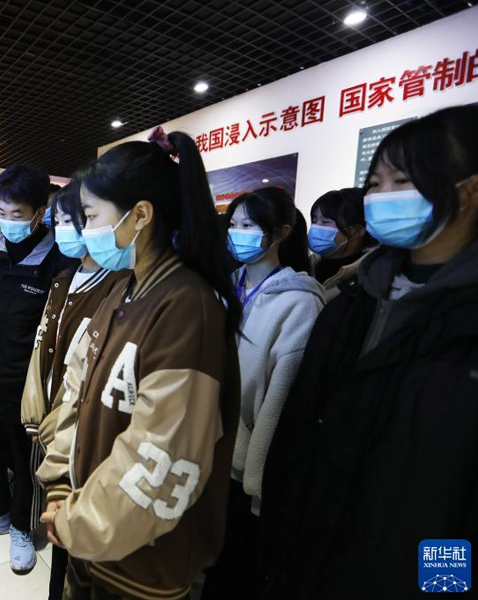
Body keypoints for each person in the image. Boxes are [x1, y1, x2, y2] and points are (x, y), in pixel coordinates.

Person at [260, 105, 478, 600]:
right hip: (316, 555)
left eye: (402, 181)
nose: (382, 197)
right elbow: (300, 434)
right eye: (375, 184)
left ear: (470, 191)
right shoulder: (352, 303)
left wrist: (442, 584)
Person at [36, 127, 242, 600]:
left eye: (91, 216)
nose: (86, 231)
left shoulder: (186, 306)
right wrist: (61, 485)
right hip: (90, 531)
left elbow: (161, 453)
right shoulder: (122, 290)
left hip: (141, 558)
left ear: (141, 215)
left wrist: (79, 520)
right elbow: (77, 393)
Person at [201, 188, 324, 599]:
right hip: (205, 451)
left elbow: (279, 402)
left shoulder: (299, 303)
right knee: (208, 562)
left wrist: (255, 482)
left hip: (243, 470)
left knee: (236, 570)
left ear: (282, 233)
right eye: (234, 224)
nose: (238, 233)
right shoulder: (223, 286)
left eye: (249, 225)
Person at [0, 165, 75, 576]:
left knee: (24, 460)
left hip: (27, 381)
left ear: (40, 213)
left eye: (17, 213)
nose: (8, 221)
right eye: (3, 212)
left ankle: (22, 526)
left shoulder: (58, 259)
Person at [20, 179, 130, 600]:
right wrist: (35, 411)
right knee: (58, 532)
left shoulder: (117, 284)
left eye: (73, 220)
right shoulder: (62, 279)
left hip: (80, 431)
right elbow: (41, 348)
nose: (62, 230)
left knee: (76, 545)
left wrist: (57, 424)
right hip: (51, 421)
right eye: (58, 221)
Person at [308, 187, 373, 300]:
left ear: (357, 231)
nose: (316, 227)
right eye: (314, 221)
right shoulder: (307, 267)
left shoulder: (370, 278)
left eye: (325, 222)